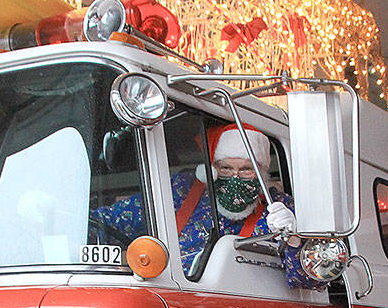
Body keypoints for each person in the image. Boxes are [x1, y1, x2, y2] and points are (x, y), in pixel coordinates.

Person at [94, 123, 324, 288]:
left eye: (246, 170)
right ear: (212, 170)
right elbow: (114, 220)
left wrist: (294, 239)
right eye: (226, 168)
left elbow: (309, 280)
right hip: (165, 291)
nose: (235, 177)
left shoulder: (281, 209)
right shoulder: (183, 190)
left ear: (262, 172)